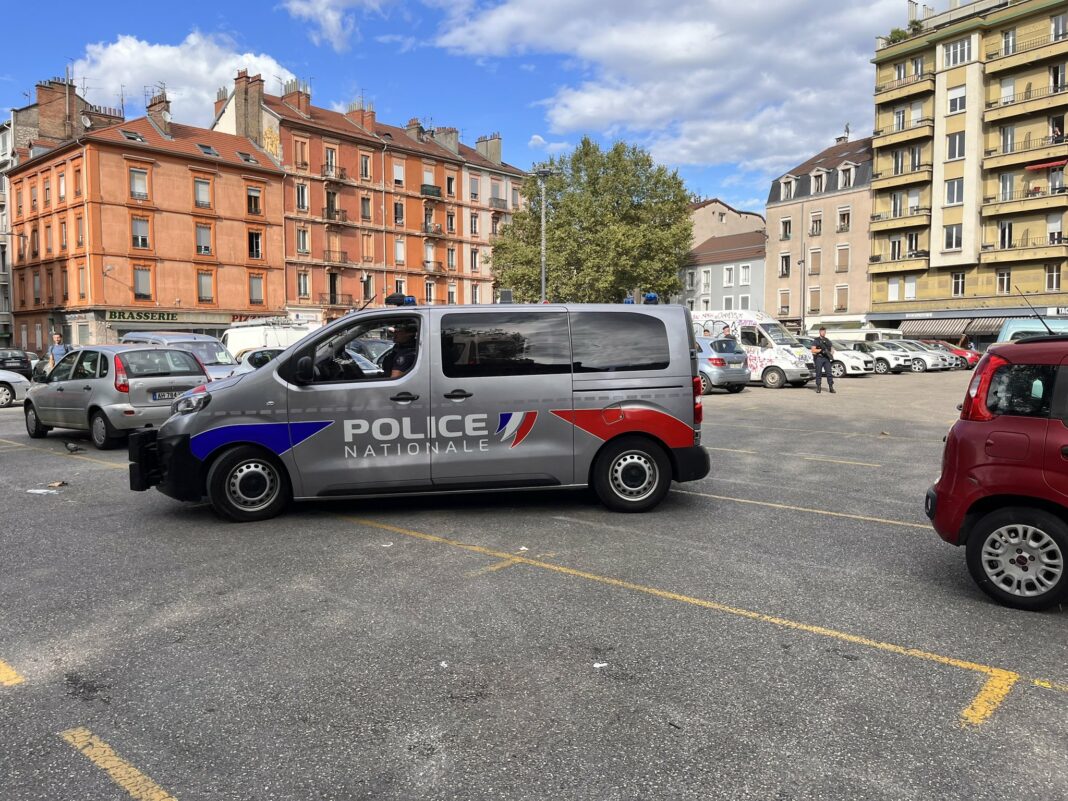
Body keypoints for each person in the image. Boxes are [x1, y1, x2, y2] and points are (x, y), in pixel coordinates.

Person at [810, 326, 836, 394]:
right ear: (819, 332)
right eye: (822, 331)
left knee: (829, 373)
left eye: (824, 332)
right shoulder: (816, 340)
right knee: (818, 373)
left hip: (826, 358)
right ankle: (818, 387)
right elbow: (813, 349)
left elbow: (832, 348)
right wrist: (821, 350)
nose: (823, 333)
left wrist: (830, 353)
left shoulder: (827, 340)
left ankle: (831, 387)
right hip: (819, 358)